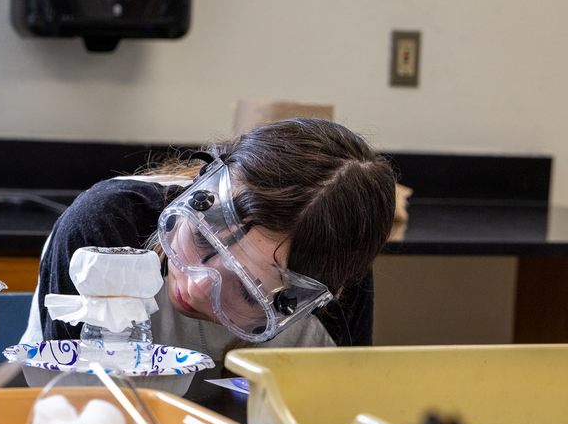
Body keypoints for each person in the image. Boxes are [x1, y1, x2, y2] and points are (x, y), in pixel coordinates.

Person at [21, 118, 397, 361]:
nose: (197, 287)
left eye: (248, 290)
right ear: (201, 185)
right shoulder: (106, 227)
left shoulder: (337, 286)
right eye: (202, 237)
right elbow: (73, 415)